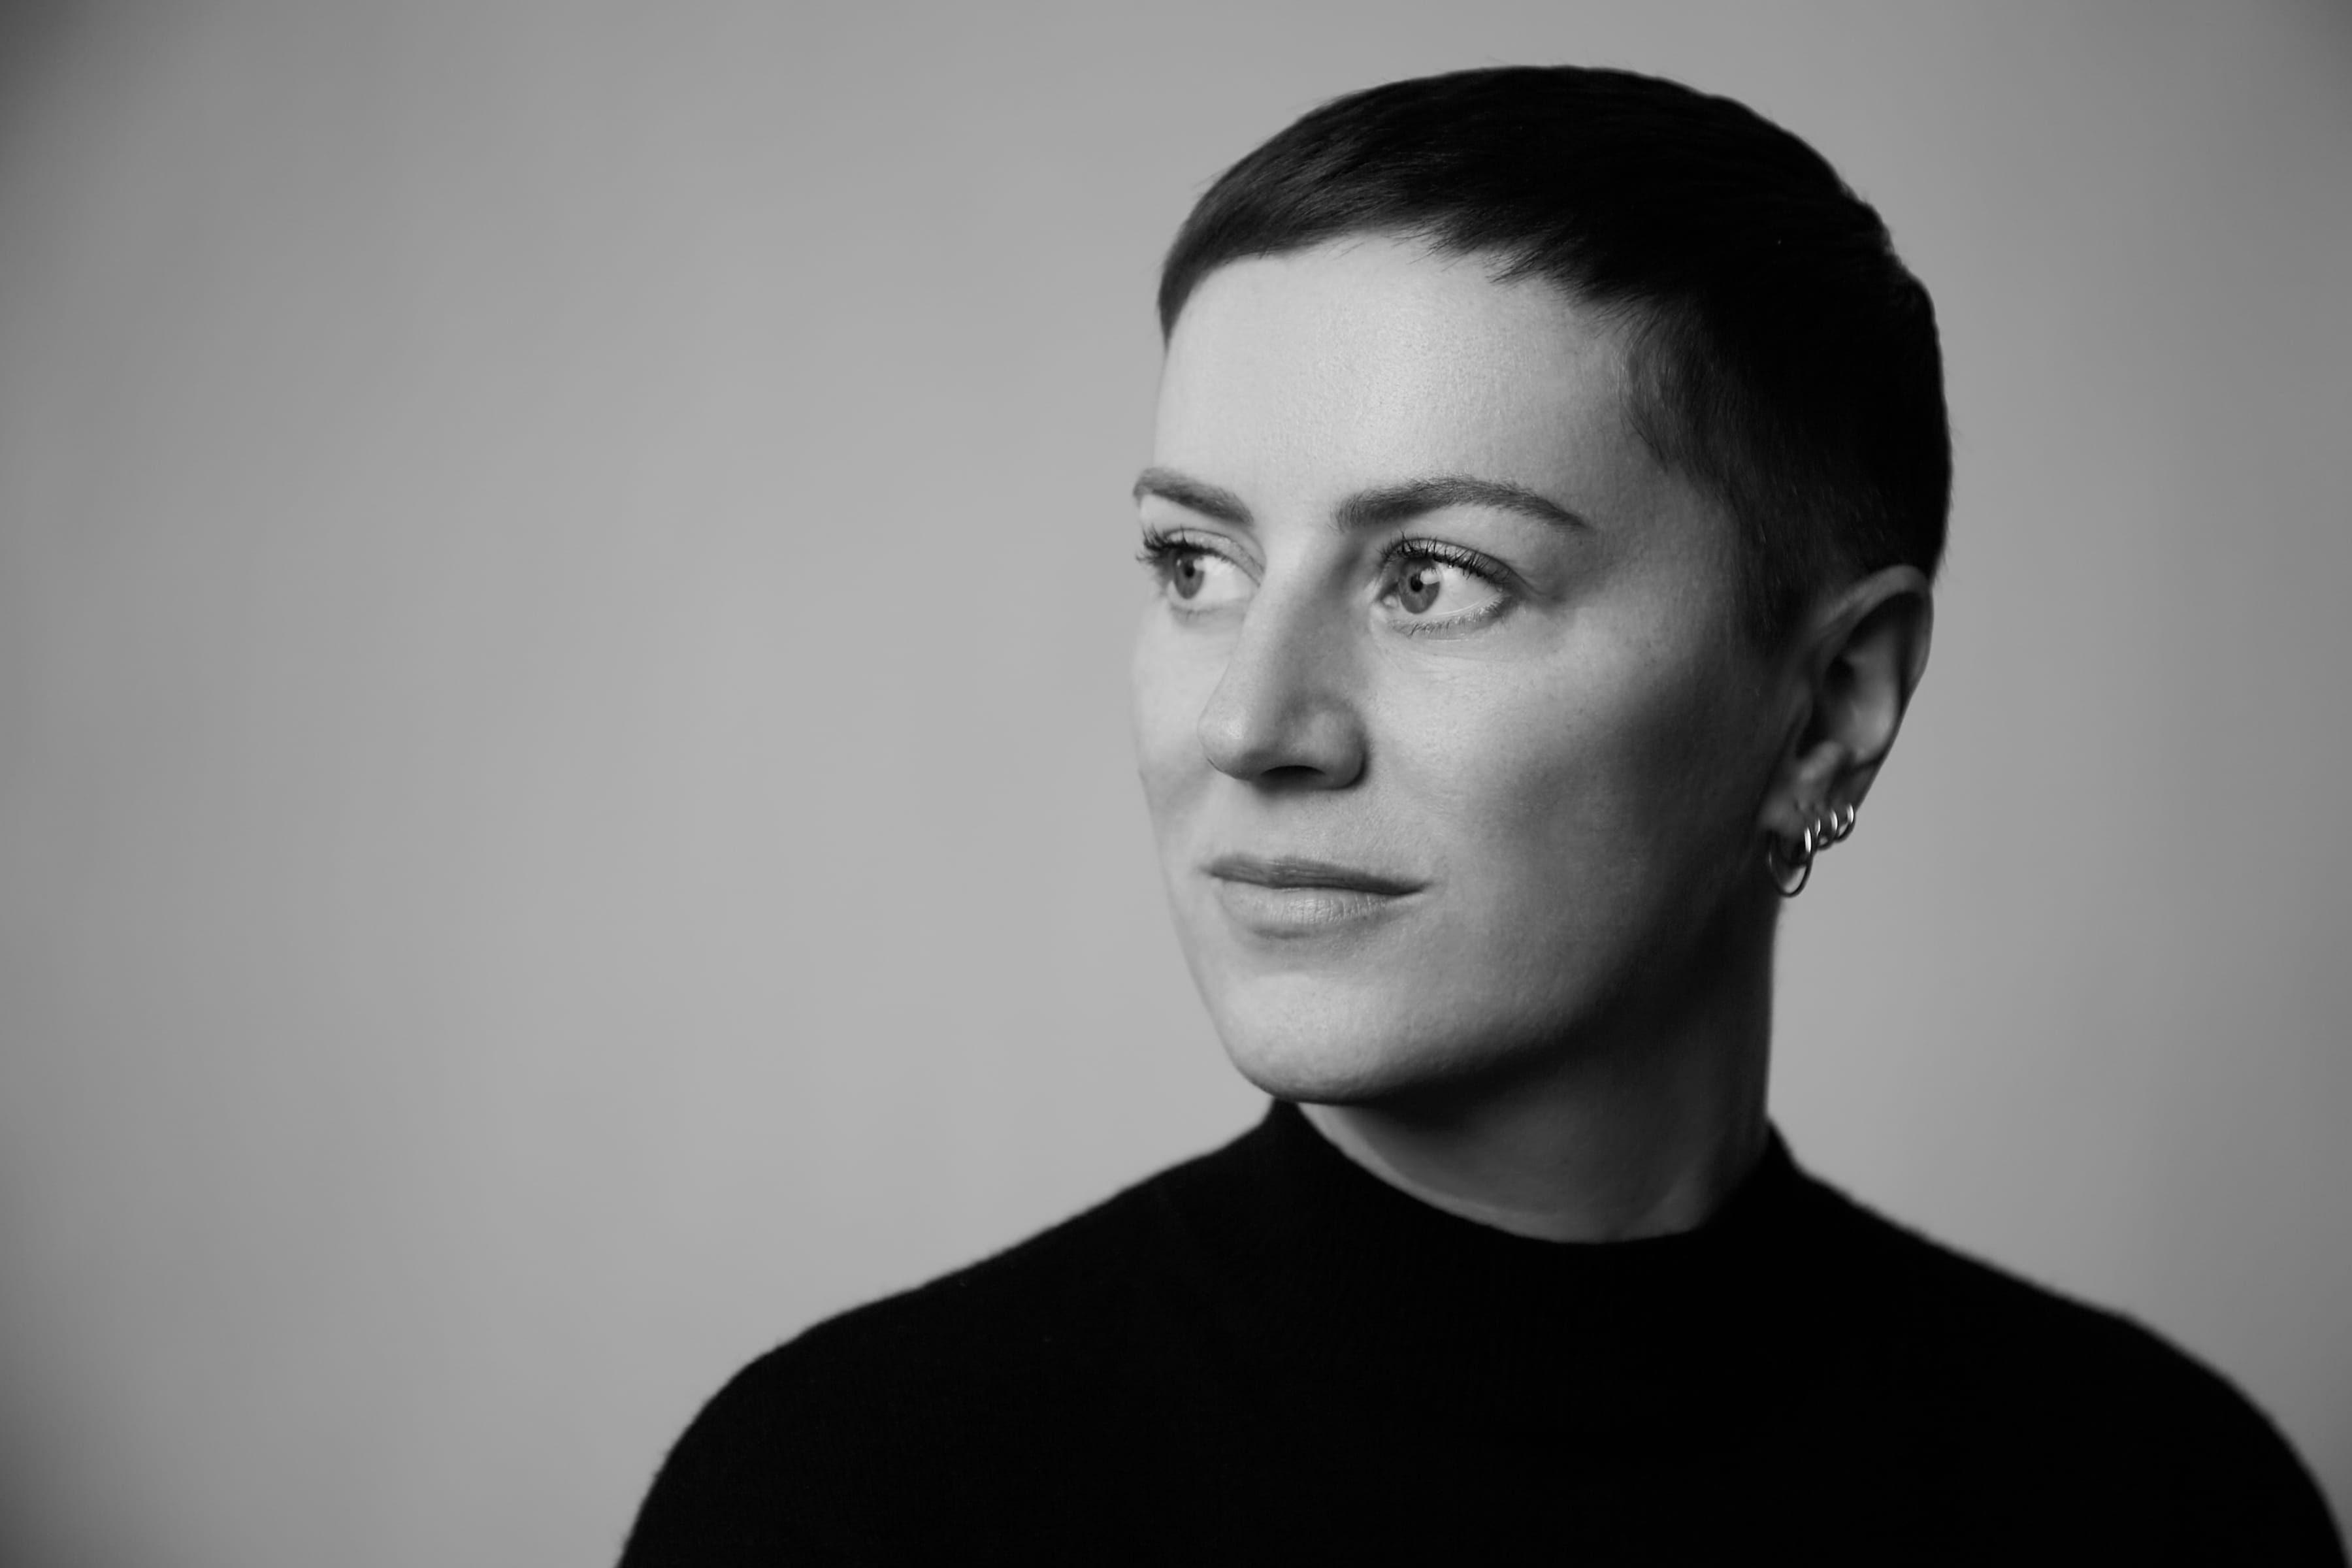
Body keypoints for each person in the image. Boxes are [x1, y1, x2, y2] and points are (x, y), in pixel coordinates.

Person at [619, 65, 2343, 1563]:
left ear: (1828, 707)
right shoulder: (848, 1503)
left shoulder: (2160, 1503)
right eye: (1195, 562)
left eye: (1434, 577)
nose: (1248, 723)